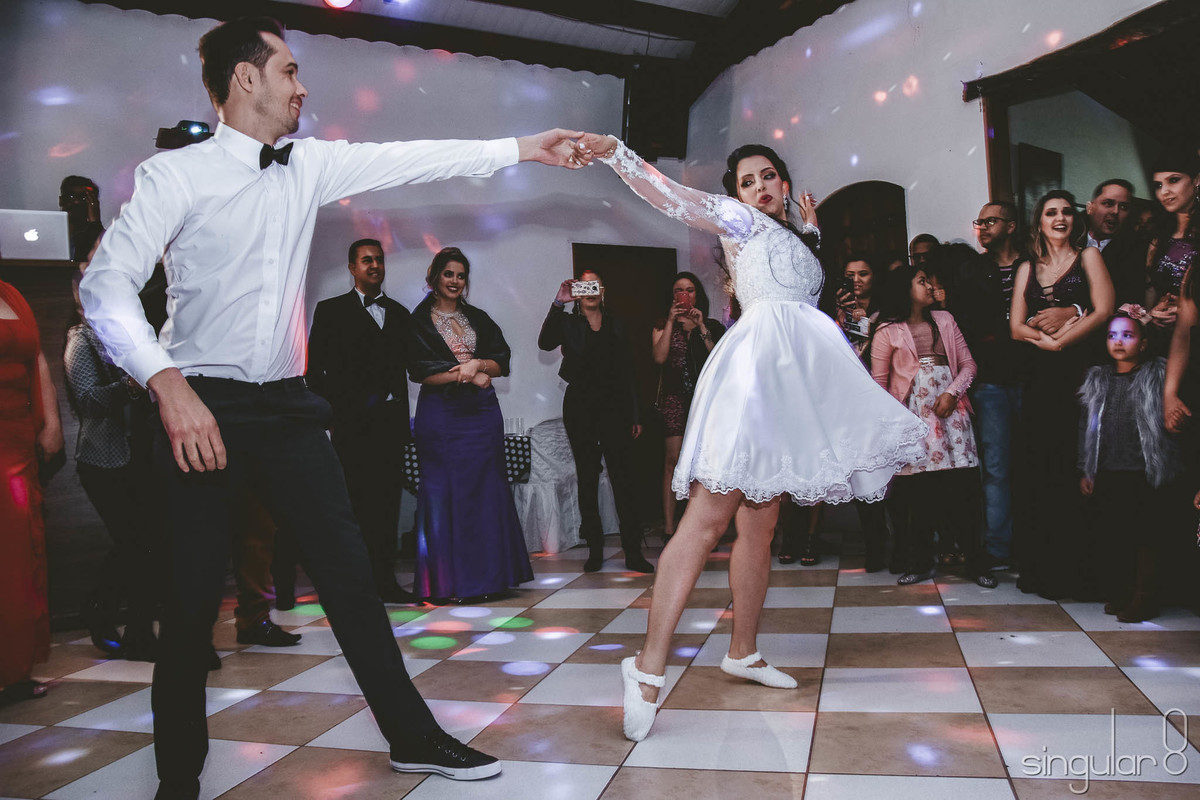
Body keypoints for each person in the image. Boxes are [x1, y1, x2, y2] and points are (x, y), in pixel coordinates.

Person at [78, 16, 588, 796]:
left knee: (352, 578)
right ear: (245, 79)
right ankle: (177, 779)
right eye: (288, 71)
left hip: (287, 409)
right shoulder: (173, 177)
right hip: (199, 403)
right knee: (186, 607)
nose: (301, 86)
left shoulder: (307, 165)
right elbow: (104, 287)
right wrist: (165, 382)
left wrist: (523, 146)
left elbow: (416, 159)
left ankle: (414, 738)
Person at [576, 134, 925, 742]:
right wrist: (616, 153)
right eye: (746, 180)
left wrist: (810, 236)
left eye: (769, 177)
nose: (760, 187)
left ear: (785, 183)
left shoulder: (802, 237)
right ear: (734, 194)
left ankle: (743, 651)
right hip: (755, 377)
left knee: (762, 523)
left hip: (793, 383)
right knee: (707, 520)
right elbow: (672, 195)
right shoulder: (737, 222)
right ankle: (647, 670)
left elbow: (804, 302)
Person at [404, 247, 533, 601]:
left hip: (482, 416)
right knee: (447, 494)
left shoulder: (478, 316)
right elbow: (421, 372)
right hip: (442, 418)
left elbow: (502, 360)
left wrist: (477, 366)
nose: (455, 282)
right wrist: (466, 375)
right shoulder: (417, 321)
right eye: (449, 274)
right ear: (434, 276)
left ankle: (490, 579)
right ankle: (448, 583)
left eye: (461, 276)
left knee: (486, 491)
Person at [1009, 190, 1115, 600]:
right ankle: (1045, 571)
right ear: (1039, 221)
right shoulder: (1026, 267)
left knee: (1080, 463)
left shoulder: (1089, 257)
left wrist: (1065, 335)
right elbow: (1016, 326)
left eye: (1067, 212)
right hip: (1040, 375)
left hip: (1080, 373)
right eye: (1051, 212)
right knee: (1043, 465)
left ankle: (1083, 574)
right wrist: (1046, 342)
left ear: (1076, 219)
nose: (1060, 218)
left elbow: (1105, 309)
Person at [307, 238, 419, 605]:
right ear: (352, 268)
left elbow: (415, 365)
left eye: (379, 260)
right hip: (352, 428)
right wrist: (334, 415)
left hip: (389, 426)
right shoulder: (331, 310)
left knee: (387, 506)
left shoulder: (400, 314)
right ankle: (355, 588)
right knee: (353, 508)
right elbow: (314, 372)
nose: (374, 265)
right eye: (366, 260)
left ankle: (385, 581)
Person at [869, 264, 993, 588]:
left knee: (965, 489)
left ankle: (976, 563)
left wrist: (953, 393)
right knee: (918, 495)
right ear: (904, 290)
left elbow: (968, 364)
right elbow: (879, 384)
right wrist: (896, 425)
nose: (929, 286)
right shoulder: (886, 332)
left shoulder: (945, 320)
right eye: (922, 281)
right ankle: (921, 562)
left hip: (952, 416)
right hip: (912, 420)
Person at [64, 267, 160, 661]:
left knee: (144, 545)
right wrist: (131, 386)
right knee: (135, 543)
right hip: (103, 460)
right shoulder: (80, 340)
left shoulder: (124, 335)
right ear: (78, 297)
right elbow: (87, 400)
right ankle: (103, 611)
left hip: (138, 457)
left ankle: (135, 630)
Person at [540, 270, 655, 573]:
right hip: (580, 409)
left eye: (594, 284)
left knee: (624, 480)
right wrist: (558, 302)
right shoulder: (568, 322)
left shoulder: (617, 324)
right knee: (587, 478)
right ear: (577, 291)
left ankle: (633, 551)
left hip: (615, 409)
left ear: (602, 290)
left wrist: (635, 414)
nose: (590, 290)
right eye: (583, 284)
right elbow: (545, 343)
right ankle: (595, 549)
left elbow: (629, 370)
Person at [1078, 312, 1183, 623]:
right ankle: (1124, 590)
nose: (1119, 341)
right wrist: (1087, 469)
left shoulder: (1156, 375)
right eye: (1112, 335)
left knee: (1145, 534)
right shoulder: (1098, 379)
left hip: (1143, 469)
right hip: (1110, 468)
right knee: (1117, 533)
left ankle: (1144, 597)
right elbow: (1086, 427)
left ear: (1144, 342)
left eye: (1128, 335)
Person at [951, 201, 1031, 572]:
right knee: (996, 466)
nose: (981, 227)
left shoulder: (1032, 263)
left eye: (990, 221)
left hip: (1035, 375)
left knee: (1034, 462)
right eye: (978, 221)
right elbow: (963, 325)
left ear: (1011, 226)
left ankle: (1034, 545)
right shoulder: (971, 269)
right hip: (990, 380)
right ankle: (999, 548)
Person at [0, 279, 63, 706]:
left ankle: (14, 669)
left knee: (19, 554)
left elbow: (37, 357)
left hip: (17, 440)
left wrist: (52, 421)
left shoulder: (12, 293)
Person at [649, 272, 725, 542]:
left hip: (705, 400)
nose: (685, 294)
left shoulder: (712, 325)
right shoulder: (662, 323)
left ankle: (701, 525)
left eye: (690, 290)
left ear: (697, 294)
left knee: (704, 464)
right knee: (672, 461)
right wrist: (671, 321)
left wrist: (701, 327)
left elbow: (720, 361)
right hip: (674, 399)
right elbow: (659, 358)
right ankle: (669, 527)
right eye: (679, 290)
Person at [1146, 151, 1199, 338]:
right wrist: (1152, 314)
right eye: (1158, 185)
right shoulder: (1158, 237)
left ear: (1197, 179)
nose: (1164, 191)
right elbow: (1150, 287)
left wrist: (1189, 313)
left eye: (1173, 180)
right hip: (1162, 339)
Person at [60, 175, 105, 262]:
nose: (76, 202)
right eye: (71, 197)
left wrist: (95, 223)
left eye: (83, 198)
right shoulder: (50, 233)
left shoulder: (96, 235)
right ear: (61, 200)